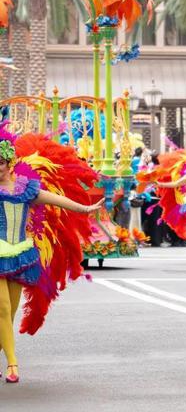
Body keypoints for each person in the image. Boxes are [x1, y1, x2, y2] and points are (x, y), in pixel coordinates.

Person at [0, 132, 103, 383]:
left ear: (8, 162)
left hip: (20, 252)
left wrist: (85, 208)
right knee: (2, 307)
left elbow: (56, 200)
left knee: (10, 312)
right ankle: (13, 364)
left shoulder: (26, 187)